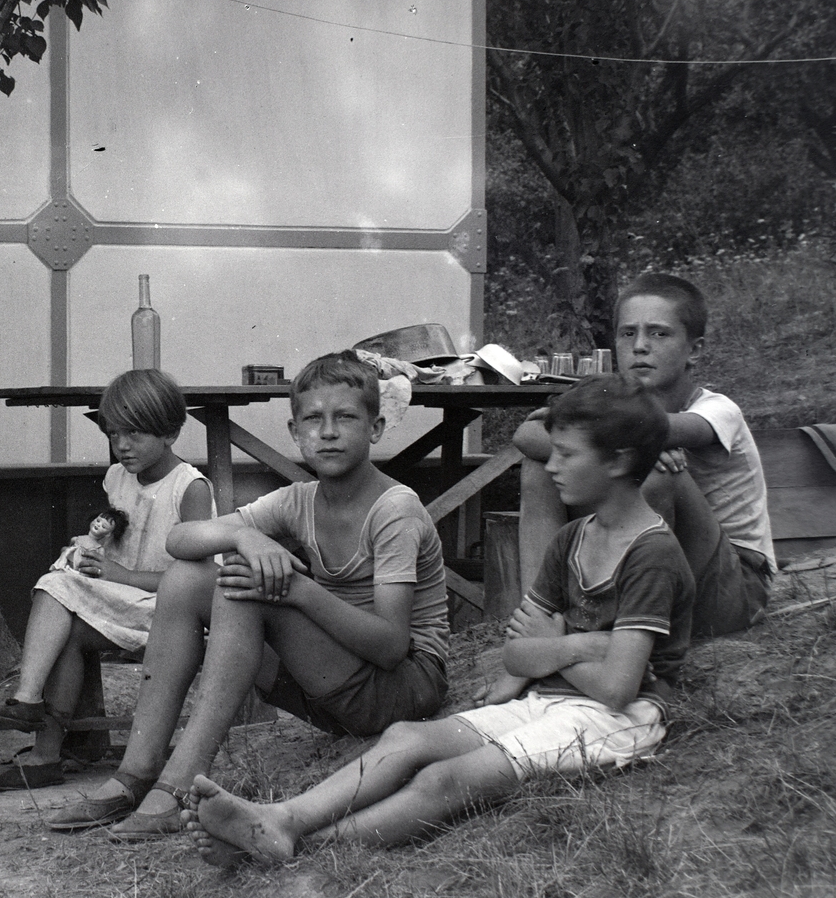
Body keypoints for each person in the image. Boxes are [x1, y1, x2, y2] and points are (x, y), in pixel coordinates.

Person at [185, 374, 694, 862]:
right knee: (407, 739)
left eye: (567, 453)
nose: (551, 464)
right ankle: (284, 819)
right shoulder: (572, 538)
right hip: (546, 697)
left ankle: (305, 846)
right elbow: (516, 652)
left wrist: (553, 649)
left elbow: (617, 689)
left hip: (616, 720)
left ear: (618, 461)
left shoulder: (650, 555)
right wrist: (577, 647)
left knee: (443, 780)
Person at [45, 352, 449, 838]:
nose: (328, 432)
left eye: (345, 417)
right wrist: (243, 537)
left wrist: (298, 590)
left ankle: (177, 788)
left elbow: (390, 647)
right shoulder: (298, 500)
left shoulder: (395, 511)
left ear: (376, 427)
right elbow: (182, 540)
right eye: (312, 420)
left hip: (400, 690)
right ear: (294, 430)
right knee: (188, 577)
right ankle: (135, 774)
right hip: (332, 687)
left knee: (245, 587)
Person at [0, 370, 213, 791]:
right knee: (62, 595)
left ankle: (31, 707)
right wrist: (91, 553)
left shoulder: (189, 488)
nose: (122, 445)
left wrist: (121, 575)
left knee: (57, 593)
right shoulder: (118, 477)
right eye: (114, 434)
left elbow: (201, 581)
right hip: (117, 601)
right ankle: (40, 739)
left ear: (170, 432)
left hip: (166, 613)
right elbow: (117, 539)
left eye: (135, 434)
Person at [515, 273, 773, 638]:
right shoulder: (615, 406)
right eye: (627, 333)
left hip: (729, 586)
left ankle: (628, 640)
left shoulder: (718, 410)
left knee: (651, 475)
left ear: (694, 350)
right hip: (662, 567)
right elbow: (526, 434)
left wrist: (641, 453)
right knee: (543, 468)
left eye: (659, 333)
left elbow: (660, 432)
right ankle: (538, 619)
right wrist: (645, 452)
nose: (640, 346)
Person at [50, 507, 131, 573]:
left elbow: (99, 564)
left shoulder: (99, 548)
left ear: (108, 534)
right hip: (70, 563)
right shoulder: (78, 538)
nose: (98, 525)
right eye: (98, 520)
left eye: (103, 526)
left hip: (81, 569)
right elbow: (70, 546)